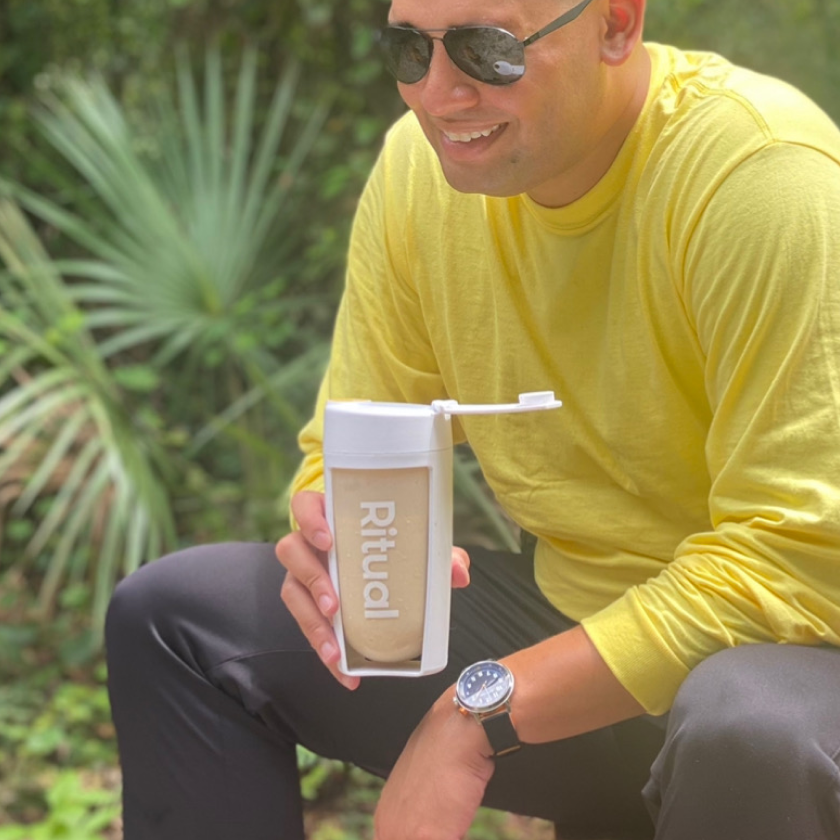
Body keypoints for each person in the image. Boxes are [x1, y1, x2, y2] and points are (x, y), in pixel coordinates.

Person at [104, 0, 840, 837]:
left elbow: (797, 561)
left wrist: (476, 714)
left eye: (487, 50)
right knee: (180, 620)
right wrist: (332, 532)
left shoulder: (761, 178)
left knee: (751, 728)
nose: (439, 95)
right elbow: (357, 430)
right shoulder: (424, 172)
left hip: (797, 678)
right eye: (408, 49)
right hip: (578, 637)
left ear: (616, 25)